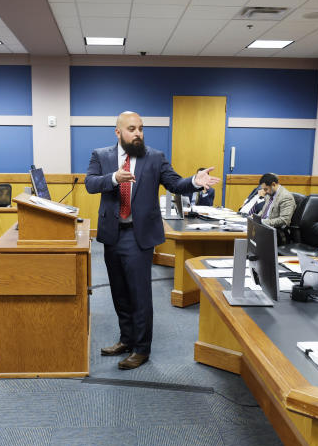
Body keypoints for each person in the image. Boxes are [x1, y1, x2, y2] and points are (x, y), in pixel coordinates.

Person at [86, 111, 219, 370]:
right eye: (132, 129)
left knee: (140, 295)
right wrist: (114, 178)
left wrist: (194, 181)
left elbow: (175, 184)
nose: (138, 134)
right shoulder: (101, 155)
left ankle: (142, 349)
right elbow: (91, 184)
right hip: (113, 235)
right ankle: (126, 339)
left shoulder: (154, 157)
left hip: (139, 236)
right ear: (118, 132)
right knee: (120, 293)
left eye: (141, 129)